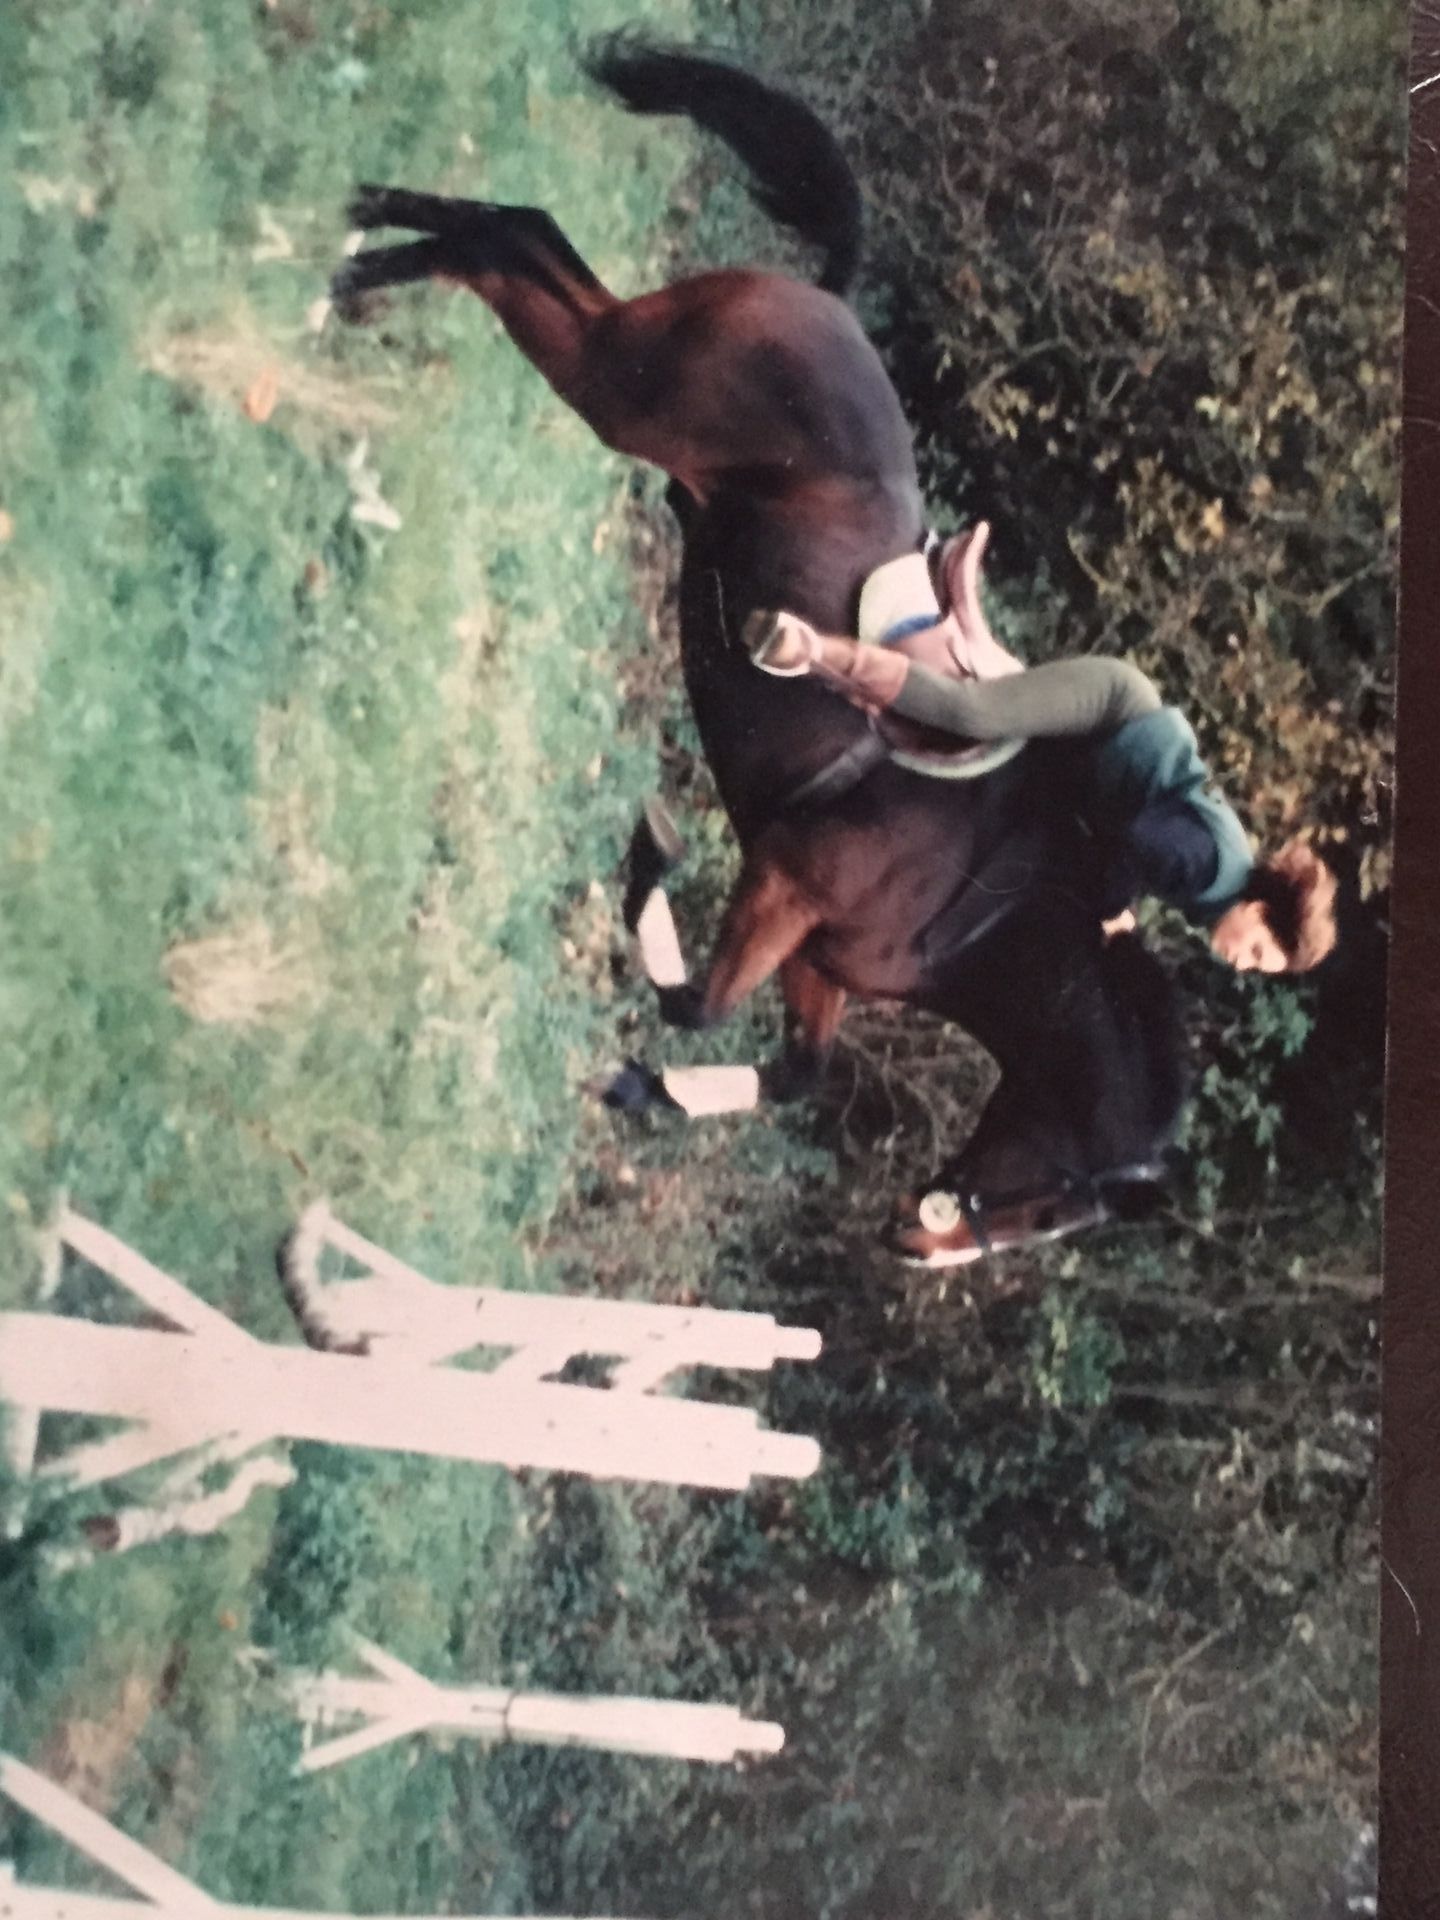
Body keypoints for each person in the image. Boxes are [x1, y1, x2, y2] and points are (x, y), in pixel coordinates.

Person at [748, 523, 1338, 975]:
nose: (1241, 964)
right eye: (1257, 952)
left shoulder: (1213, 892)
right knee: (972, 713)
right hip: (1108, 713)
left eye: (1255, 967)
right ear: (1257, 912)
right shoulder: (1209, 868)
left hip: (1093, 765)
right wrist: (1113, 910)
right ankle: (814, 649)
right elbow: (1132, 841)